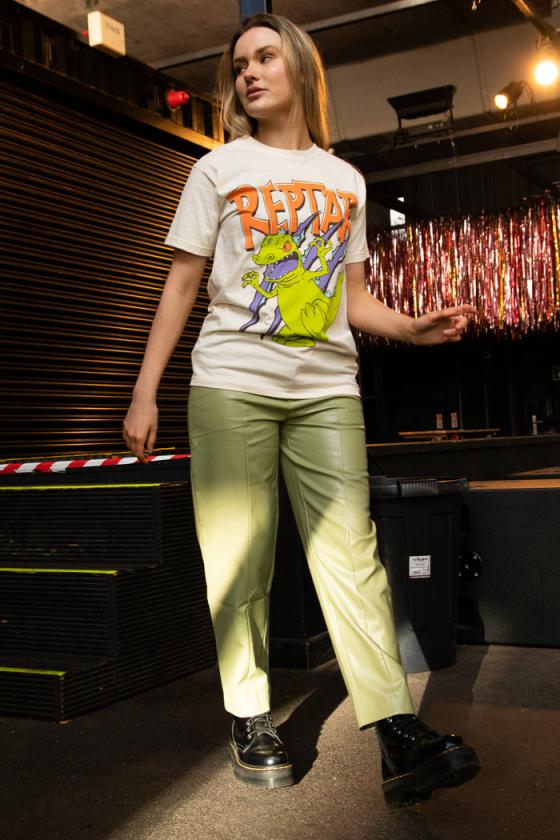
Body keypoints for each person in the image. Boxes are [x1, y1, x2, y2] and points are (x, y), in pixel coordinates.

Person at [123, 13, 480, 807]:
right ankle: (250, 715)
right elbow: (181, 285)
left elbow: (351, 298)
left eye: (264, 57)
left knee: (351, 555)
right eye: (239, 64)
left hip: (325, 390)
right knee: (240, 556)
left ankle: (396, 732)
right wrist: (145, 391)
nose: (249, 73)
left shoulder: (345, 180)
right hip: (232, 383)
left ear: (300, 68)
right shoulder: (218, 169)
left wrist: (409, 328)